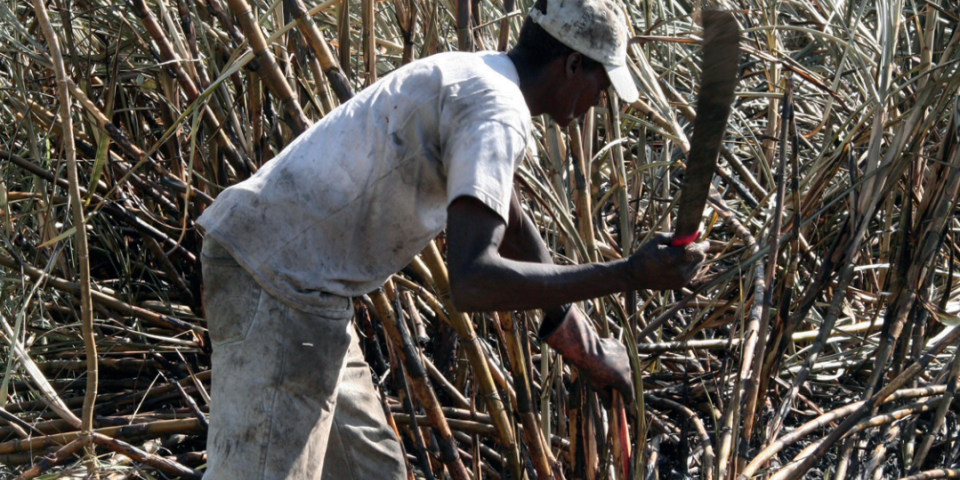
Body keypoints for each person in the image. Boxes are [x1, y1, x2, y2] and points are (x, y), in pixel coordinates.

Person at [196, 0, 708, 477]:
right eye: (602, 82)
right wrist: (628, 274)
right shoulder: (496, 108)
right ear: (572, 65)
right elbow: (472, 281)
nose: (601, 100)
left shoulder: (480, 77)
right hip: (276, 283)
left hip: (307, 288)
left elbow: (510, 223)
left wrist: (584, 343)